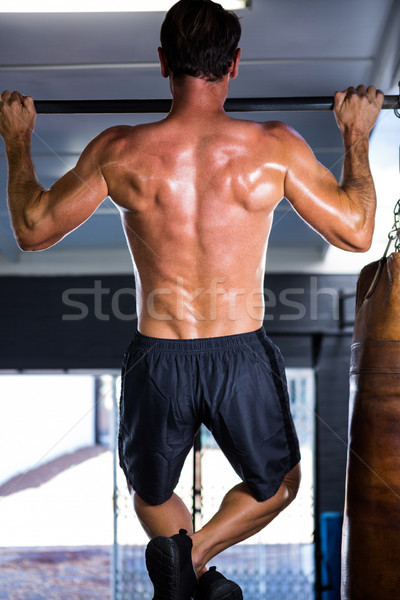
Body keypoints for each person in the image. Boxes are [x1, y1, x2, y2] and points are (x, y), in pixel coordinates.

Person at [0, 0, 383, 598]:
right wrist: (356, 136)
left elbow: (32, 227)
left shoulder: (119, 150)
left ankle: (187, 563)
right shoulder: (273, 148)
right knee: (279, 485)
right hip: (240, 357)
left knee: (149, 493)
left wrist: (18, 141)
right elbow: (357, 231)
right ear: (235, 65)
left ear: (161, 64)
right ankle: (194, 561)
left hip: (159, 357)